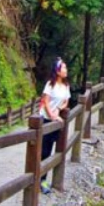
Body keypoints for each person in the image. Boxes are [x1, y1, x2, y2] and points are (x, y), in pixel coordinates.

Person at [38, 57, 70, 195]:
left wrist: (59, 110)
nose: (66, 70)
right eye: (63, 68)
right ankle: (40, 179)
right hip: (45, 119)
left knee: (51, 150)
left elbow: (66, 102)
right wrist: (53, 115)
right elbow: (45, 102)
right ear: (57, 71)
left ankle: (42, 178)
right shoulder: (50, 84)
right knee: (43, 151)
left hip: (55, 119)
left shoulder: (66, 86)